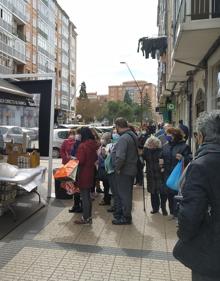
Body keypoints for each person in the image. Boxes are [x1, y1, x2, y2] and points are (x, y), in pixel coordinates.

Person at [173, 110, 220, 281]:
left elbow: (191, 214)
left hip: (210, 252)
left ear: (200, 136)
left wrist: (183, 235)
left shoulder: (201, 166)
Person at [111, 117, 138, 225]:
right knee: (127, 194)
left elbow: (121, 157)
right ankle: (125, 215)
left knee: (124, 195)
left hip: (124, 171)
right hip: (131, 169)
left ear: (118, 126)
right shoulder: (132, 135)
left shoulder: (124, 138)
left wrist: (117, 168)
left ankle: (126, 217)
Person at [160, 127, 192, 216]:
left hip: (177, 175)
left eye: (168, 134)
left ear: (174, 135)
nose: (166, 136)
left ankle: (176, 213)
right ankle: (171, 212)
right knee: (169, 194)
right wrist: (160, 161)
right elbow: (161, 155)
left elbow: (190, 159)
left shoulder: (184, 146)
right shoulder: (165, 146)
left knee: (176, 194)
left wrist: (183, 158)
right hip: (166, 174)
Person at [74, 127, 98, 225]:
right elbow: (95, 157)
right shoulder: (93, 144)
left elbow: (81, 160)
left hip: (83, 172)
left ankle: (86, 218)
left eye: (79, 134)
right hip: (91, 171)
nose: (78, 136)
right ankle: (88, 217)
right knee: (87, 196)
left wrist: (74, 159)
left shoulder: (82, 146)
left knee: (84, 196)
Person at [143, 136, 168, 216]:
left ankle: (163, 207)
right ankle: (155, 208)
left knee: (162, 192)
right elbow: (141, 159)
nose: (150, 145)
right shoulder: (146, 152)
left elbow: (164, 162)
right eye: (149, 143)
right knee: (153, 193)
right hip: (151, 175)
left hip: (160, 175)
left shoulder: (161, 151)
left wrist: (163, 166)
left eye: (152, 143)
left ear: (156, 144)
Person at [69, 128, 82, 213]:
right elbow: (72, 153)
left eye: (77, 134)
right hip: (75, 167)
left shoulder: (83, 144)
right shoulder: (76, 143)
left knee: (79, 188)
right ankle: (76, 205)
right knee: (75, 188)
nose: (76, 136)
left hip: (80, 169)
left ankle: (79, 206)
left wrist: (75, 157)